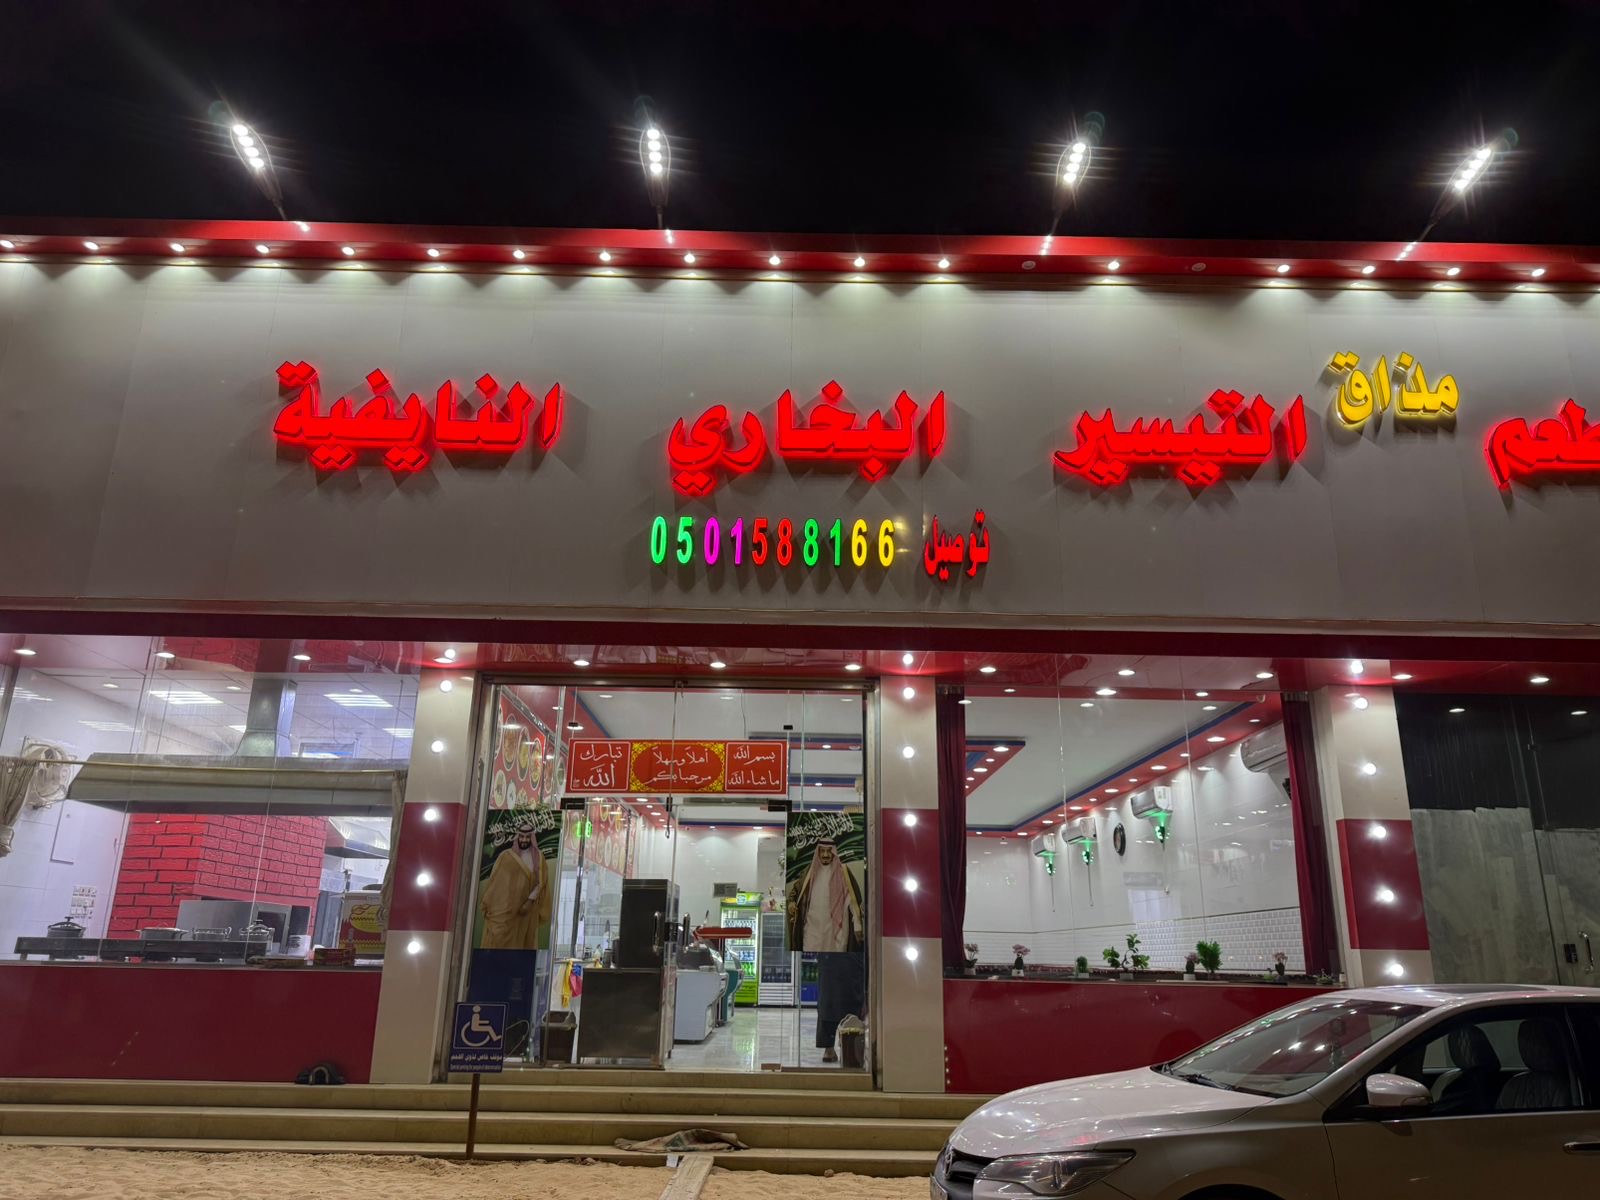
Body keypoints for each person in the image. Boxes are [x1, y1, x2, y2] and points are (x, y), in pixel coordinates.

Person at [478, 816, 549, 949]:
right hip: (505, 913)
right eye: (521, 836)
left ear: (532, 838)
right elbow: (495, 885)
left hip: (526, 912)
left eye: (527, 837)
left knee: (522, 943)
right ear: (517, 837)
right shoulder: (505, 857)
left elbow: (541, 882)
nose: (524, 840)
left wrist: (529, 901)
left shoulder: (538, 858)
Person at [785, 839, 864, 953]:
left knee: (834, 958)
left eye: (829, 851)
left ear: (833, 852)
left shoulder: (843, 871)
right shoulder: (810, 872)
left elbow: (853, 900)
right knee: (811, 956)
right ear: (818, 852)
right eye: (822, 851)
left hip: (836, 929)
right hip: (812, 927)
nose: (825, 855)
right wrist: (792, 902)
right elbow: (796, 890)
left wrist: (857, 924)